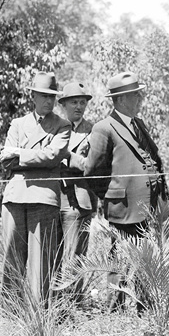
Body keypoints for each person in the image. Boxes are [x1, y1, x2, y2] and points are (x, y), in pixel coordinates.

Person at [83, 71, 167, 310]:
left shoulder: (138, 124)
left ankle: (143, 306)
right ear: (120, 99)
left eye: (139, 93)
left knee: (143, 258)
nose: (140, 98)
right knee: (120, 259)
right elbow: (92, 171)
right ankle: (114, 309)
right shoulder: (104, 128)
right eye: (134, 95)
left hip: (146, 206)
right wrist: (112, 195)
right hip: (123, 208)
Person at [0, 72, 70, 304]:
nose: (48, 101)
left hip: (44, 197)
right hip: (15, 196)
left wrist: (20, 154)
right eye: (43, 95)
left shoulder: (62, 125)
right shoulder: (18, 124)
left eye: (52, 96)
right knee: (12, 257)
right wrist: (33, 158)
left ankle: (37, 313)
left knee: (41, 262)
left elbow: (53, 155)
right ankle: (8, 312)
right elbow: (5, 159)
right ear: (32, 96)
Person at [57, 82, 97, 302]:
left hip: (79, 200)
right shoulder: (54, 127)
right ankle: (53, 302)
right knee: (51, 252)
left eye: (83, 102)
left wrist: (64, 156)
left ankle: (72, 303)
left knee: (75, 254)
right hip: (53, 198)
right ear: (63, 104)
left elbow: (91, 165)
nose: (79, 106)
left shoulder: (93, 130)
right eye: (74, 102)